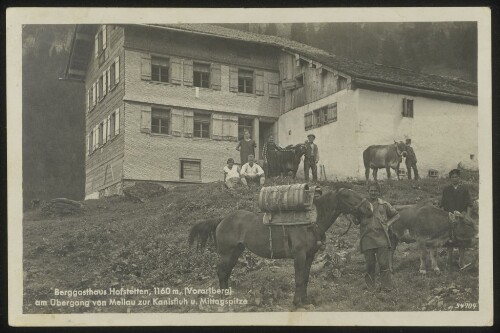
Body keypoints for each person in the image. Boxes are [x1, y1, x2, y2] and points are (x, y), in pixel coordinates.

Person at [353, 182, 400, 291]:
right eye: (371, 191)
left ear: (379, 192)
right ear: (368, 191)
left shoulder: (384, 204)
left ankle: (386, 287)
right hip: (367, 238)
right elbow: (355, 221)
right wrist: (351, 213)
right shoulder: (362, 205)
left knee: (384, 263)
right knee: (370, 264)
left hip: (381, 237)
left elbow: (397, 215)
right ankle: (371, 288)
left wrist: (388, 224)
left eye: (375, 191)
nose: (373, 193)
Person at [440, 168, 473, 269]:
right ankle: (449, 262)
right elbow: (442, 205)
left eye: (456, 176)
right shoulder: (446, 190)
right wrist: (444, 217)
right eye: (453, 177)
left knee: (462, 240)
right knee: (449, 240)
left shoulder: (464, 189)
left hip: (461, 218)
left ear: (459, 177)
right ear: (450, 178)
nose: (455, 178)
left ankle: (461, 262)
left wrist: (467, 217)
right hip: (449, 218)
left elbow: (469, 204)